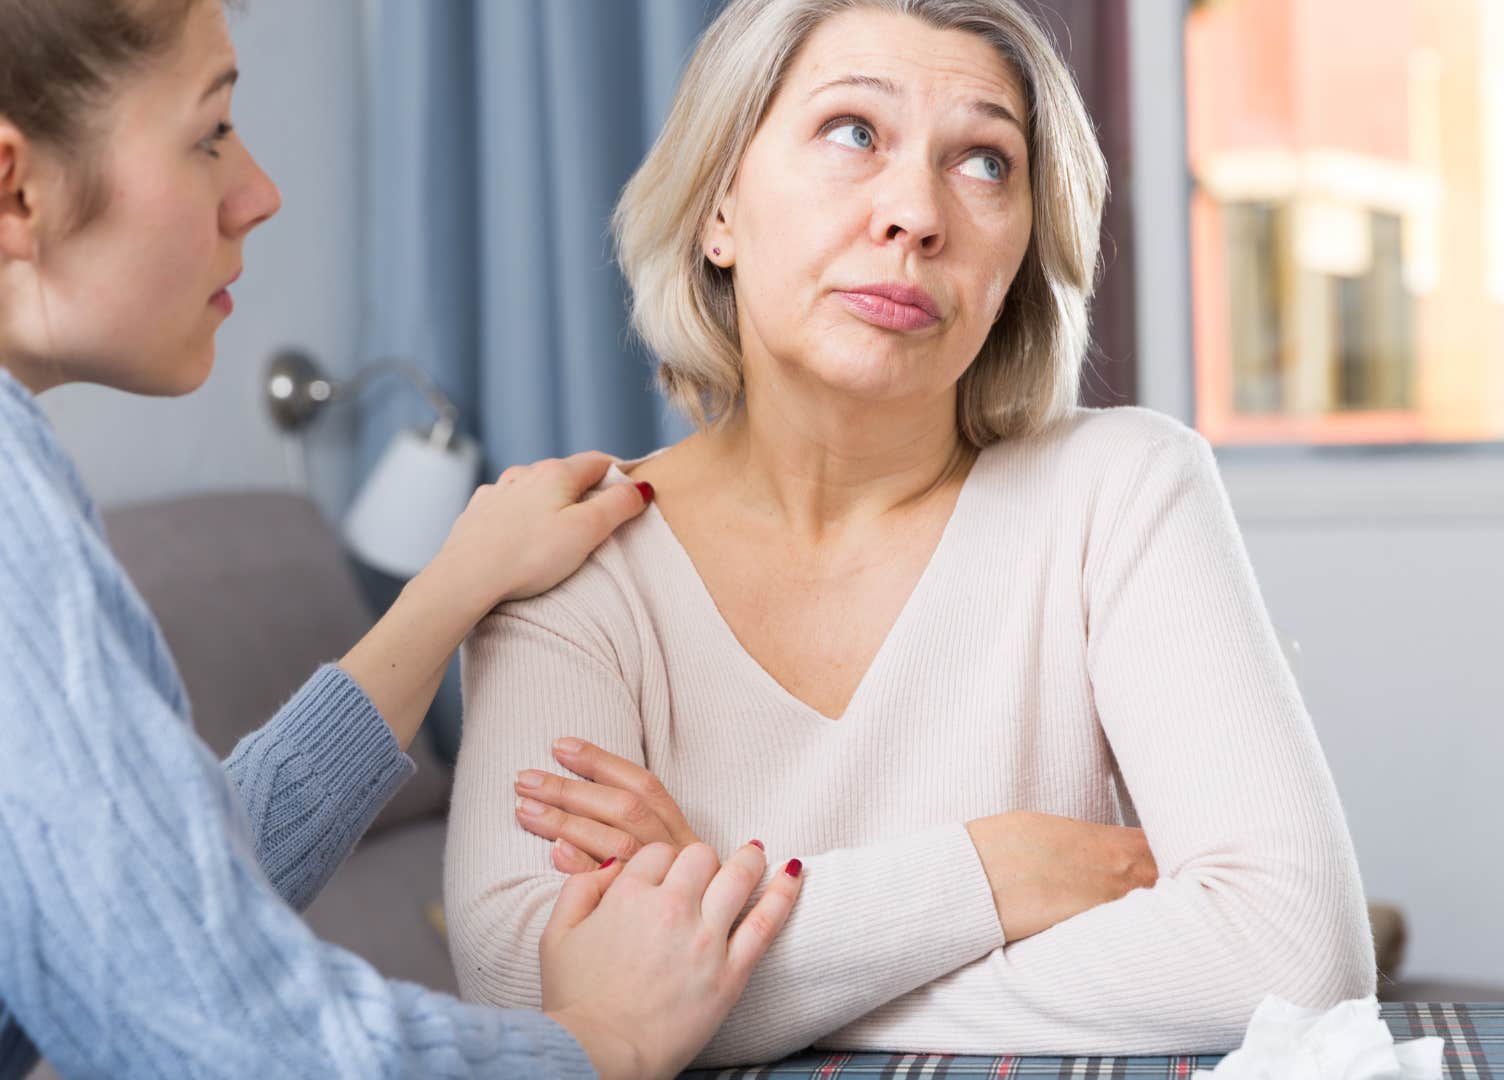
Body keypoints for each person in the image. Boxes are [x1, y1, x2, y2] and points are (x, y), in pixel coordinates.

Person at [0, 1, 804, 1077]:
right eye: (210, 130)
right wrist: (602, 1044)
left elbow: (157, 895)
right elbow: (224, 1038)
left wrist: (453, 588)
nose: (257, 190)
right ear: (6, 192)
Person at [444, 0, 1376, 1067]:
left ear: (1020, 254)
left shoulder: (1124, 489)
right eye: (854, 133)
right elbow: (528, 990)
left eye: (985, 162)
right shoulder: (574, 556)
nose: (917, 215)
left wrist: (727, 965)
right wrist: (993, 873)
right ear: (719, 210)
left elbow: (1291, 954)